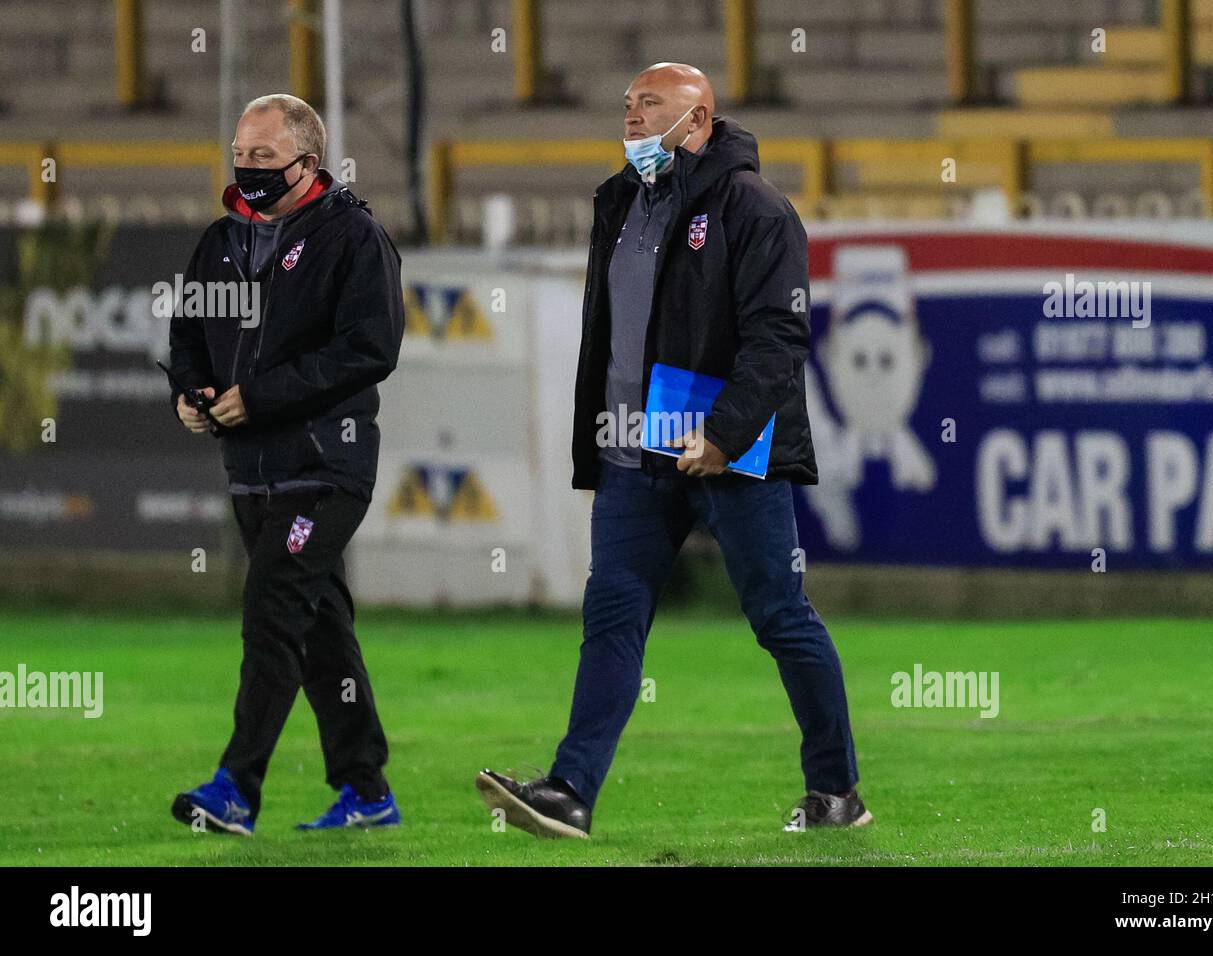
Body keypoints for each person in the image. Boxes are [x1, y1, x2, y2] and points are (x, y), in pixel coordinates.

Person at [476, 64, 868, 838]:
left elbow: (780, 337)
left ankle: (836, 791)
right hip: (636, 452)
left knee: (780, 617)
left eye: (648, 103)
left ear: (697, 121)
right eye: (625, 103)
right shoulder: (620, 202)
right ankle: (571, 791)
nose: (630, 115)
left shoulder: (754, 207)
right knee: (612, 615)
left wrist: (724, 432)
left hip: (730, 451)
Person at [167, 93, 405, 834]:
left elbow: (370, 349)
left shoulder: (354, 237)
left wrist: (259, 397)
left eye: (263, 157)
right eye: (241, 154)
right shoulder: (221, 241)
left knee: (271, 614)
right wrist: (189, 391)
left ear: (308, 162)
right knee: (319, 627)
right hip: (251, 466)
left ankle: (235, 787)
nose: (247, 167)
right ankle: (368, 793)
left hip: (324, 465)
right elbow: (188, 334)